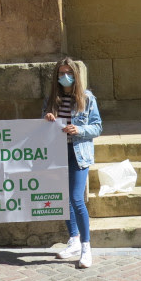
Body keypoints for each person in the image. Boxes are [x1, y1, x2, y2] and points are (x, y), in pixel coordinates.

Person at [43, 57, 103, 269]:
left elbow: (97, 127)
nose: (64, 76)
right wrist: (48, 117)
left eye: (68, 72)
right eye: (61, 73)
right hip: (58, 153)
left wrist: (80, 130)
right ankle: (74, 239)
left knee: (77, 198)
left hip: (79, 153)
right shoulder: (53, 98)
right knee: (64, 199)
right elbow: (44, 120)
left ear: (76, 75)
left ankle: (86, 247)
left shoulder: (87, 98)